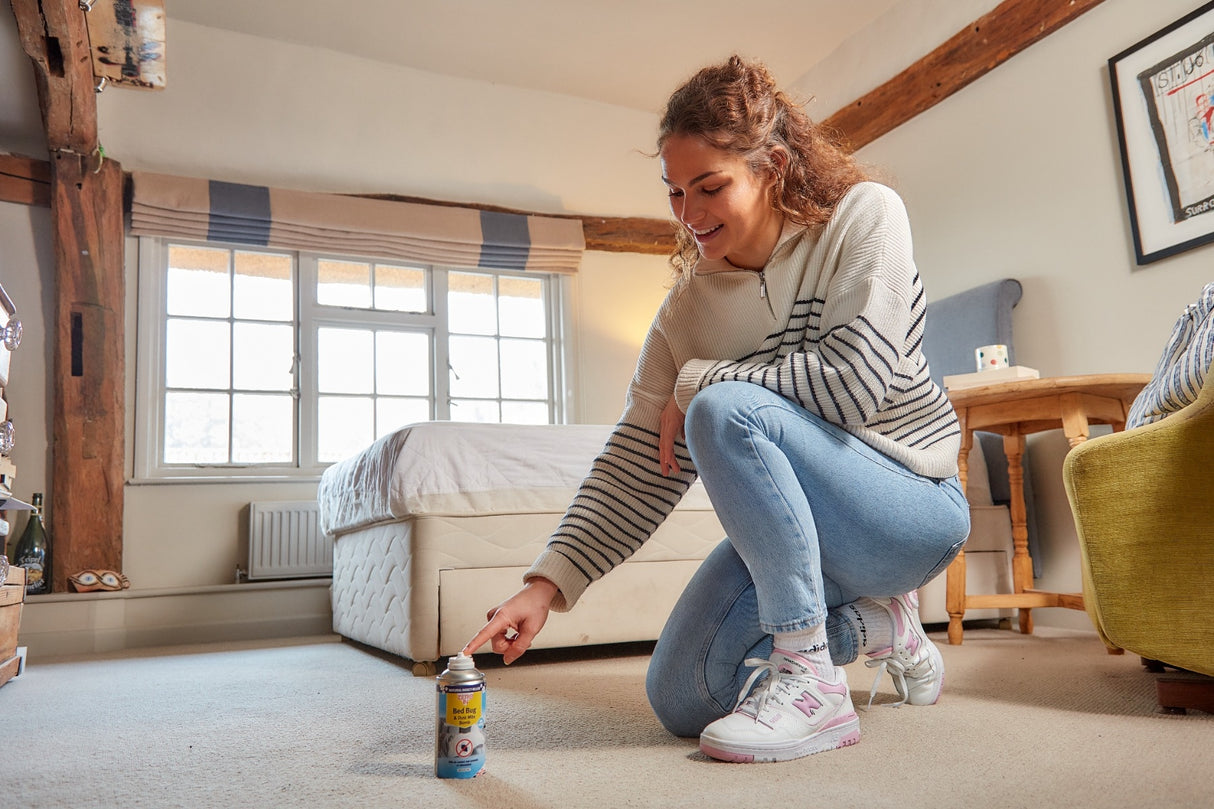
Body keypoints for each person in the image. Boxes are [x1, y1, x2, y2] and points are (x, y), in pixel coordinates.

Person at [463, 55, 971, 763]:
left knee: (723, 410)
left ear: (774, 166)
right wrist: (545, 587)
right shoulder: (685, 314)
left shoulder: (865, 217)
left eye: (710, 187)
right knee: (683, 695)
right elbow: (639, 462)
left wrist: (700, 382)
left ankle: (809, 677)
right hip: (811, 540)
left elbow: (854, 385)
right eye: (674, 193)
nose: (690, 215)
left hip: (909, 509)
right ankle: (878, 629)